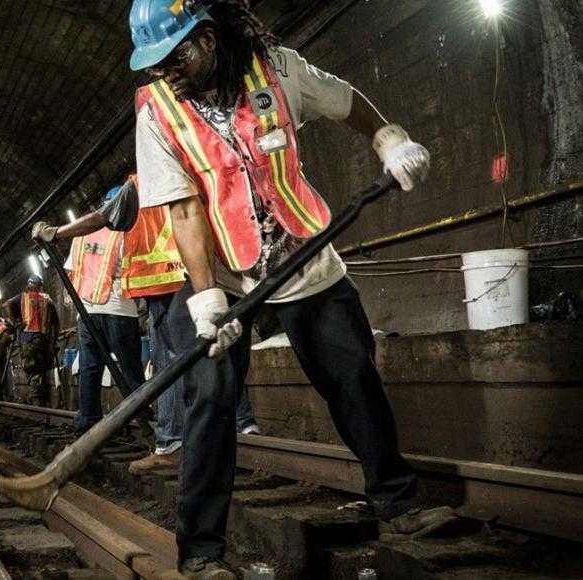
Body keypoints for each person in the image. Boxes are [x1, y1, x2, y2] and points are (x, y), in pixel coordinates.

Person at [128, 1, 455, 576]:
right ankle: (201, 553)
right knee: (210, 397)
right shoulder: (157, 110)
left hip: (305, 256)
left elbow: (349, 102)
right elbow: (182, 210)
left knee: (351, 373)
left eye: (173, 56)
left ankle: (398, 502)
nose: (164, 71)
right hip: (225, 274)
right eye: (152, 62)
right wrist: (207, 301)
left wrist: (389, 140)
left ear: (205, 38)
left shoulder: (275, 68)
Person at [34, 175, 259, 473]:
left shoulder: (141, 184)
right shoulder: (203, 166)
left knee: (174, 365)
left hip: (170, 284)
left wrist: (55, 232)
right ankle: (241, 426)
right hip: (214, 279)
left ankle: (175, 442)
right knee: (214, 354)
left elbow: (102, 217)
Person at [58, 186, 147, 433]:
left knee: (90, 366)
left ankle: (88, 419)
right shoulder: (127, 230)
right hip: (120, 308)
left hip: (87, 311)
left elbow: (70, 272)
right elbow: (135, 269)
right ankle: (141, 417)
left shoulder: (81, 236)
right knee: (129, 366)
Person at [4, 276, 60, 406]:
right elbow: (56, 324)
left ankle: (35, 399)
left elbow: (7, 304)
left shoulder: (23, 298)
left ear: (29, 285)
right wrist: (54, 341)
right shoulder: (48, 300)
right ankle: (36, 398)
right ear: (40, 286)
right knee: (39, 369)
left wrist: (17, 322)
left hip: (26, 339)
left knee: (31, 369)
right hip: (42, 339)